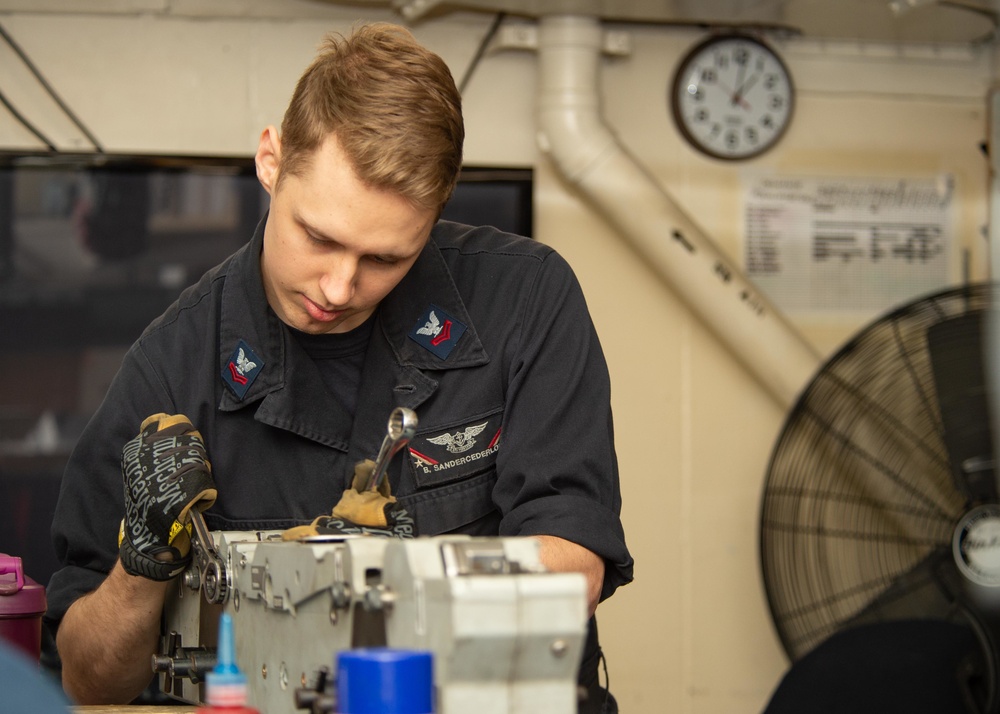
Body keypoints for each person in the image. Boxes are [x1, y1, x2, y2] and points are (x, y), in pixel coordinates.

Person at [45, 22, 633, 713]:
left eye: (385, 258)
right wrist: (143, 565)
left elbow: (569, 571)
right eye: (318, 237)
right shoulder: (171, 367)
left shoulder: (527, 299)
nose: (337, 287)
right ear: (271, 160)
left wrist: (365, 576)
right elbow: (86, 680)